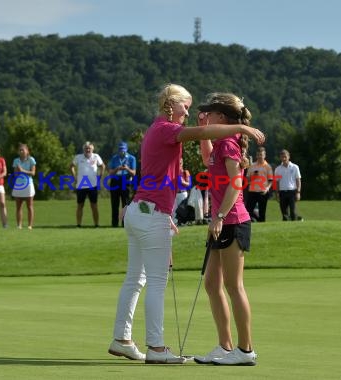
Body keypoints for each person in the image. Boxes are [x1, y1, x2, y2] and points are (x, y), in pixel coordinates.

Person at [108, 84, 265, 365]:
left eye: (203, 111)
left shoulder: (166, 130)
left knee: (143, 280)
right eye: (188, 106)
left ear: (222, 116)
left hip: (178, 214)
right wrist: (241, 129)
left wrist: (179, 215)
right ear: (172, 104)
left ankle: (242, 349)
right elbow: (205, 141)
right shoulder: (167, 129)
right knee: (174, 282)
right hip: (156, 212)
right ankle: (162, 348)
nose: (194, 113)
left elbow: (231, 179)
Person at [193, 92, 257, 366]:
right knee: (212, 284)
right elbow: (208, 159)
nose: (208, 117)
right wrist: (203, 133)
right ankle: (225, 346)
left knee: (234, 286)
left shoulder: (230, 144)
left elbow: (237, 183)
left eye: (211, 113)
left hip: (233, 221)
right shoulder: (219, 144)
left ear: (223, 117)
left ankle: (245, 351)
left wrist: (218, 216)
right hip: (221, 222)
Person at [70, 141, 105, 228]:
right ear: (83, 149)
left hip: (92, 185)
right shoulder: (78, 157)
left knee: (94, 205)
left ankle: (96, 224)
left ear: (92, 149)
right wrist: (74, 177)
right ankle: (78, 224)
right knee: (80, 205)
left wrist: (100, 176)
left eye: (89, 148)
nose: (88, 150)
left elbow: (102, 166)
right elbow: (71, 166)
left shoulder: (96, 156)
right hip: (81, 185)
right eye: (86, 148)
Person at [108, 141, 136, 227]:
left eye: (123, 149)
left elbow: (133, 173)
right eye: (120, 149)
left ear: (126, 149)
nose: (122, 151)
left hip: (126, 180)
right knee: (114, 203)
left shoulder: (131, 158)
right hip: (115, 180)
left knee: (125, 203)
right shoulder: (114, 158)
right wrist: (117, 168)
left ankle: (125, 223)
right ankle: (114, 224)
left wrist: (127, 169)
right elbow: (110, 172)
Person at [12, 143, 36, 229]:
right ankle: (19, 225)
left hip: (28, 184)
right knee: (18, 206)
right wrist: (18, 171)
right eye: (20, 150)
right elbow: (15, 174)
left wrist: (22, 170)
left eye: (23, 150)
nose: (21, 151)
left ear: (27, 151)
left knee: (29, 206)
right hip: (19, 185)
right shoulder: (16, 161)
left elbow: (33, 173)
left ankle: (30, 225)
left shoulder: (31, 160)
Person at [245, 147, 274, 222]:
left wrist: (267, 188)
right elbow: (247, 179)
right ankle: (252, 221)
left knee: (262, 211)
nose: (259, 156)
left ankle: (261, 223)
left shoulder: (268, 167)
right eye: (258, 155)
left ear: (264, 155)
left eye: (261, 155)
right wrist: (253, 177)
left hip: (263, 191)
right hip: (252, 191)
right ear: (256, 156)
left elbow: (270, 180)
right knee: (248, 210)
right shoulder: (252, 165)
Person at [274, 149, 302, 221]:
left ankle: (296, 221)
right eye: (282, 157)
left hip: (292, 192)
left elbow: (298, 180)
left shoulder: (295, 167)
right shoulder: (278, 169)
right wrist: (276, 193)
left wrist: (298, 192)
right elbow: (276, 182)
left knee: (293, 212)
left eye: (285, 157)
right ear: (280, 158)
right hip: (282, 193)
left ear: (288, 157)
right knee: (284, 214)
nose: (284, 158)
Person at [172, 158, 191, 224]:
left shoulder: (185, 172)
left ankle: (183, 222)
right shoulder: (174, 172)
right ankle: (175, 223)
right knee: (174, 210)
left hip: (183, 193)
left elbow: (189, 184)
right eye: (178, 163)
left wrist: (183, 182)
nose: (179, 164)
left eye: (180, 163)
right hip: (174, 194)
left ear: (182, 163)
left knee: (183, 209)